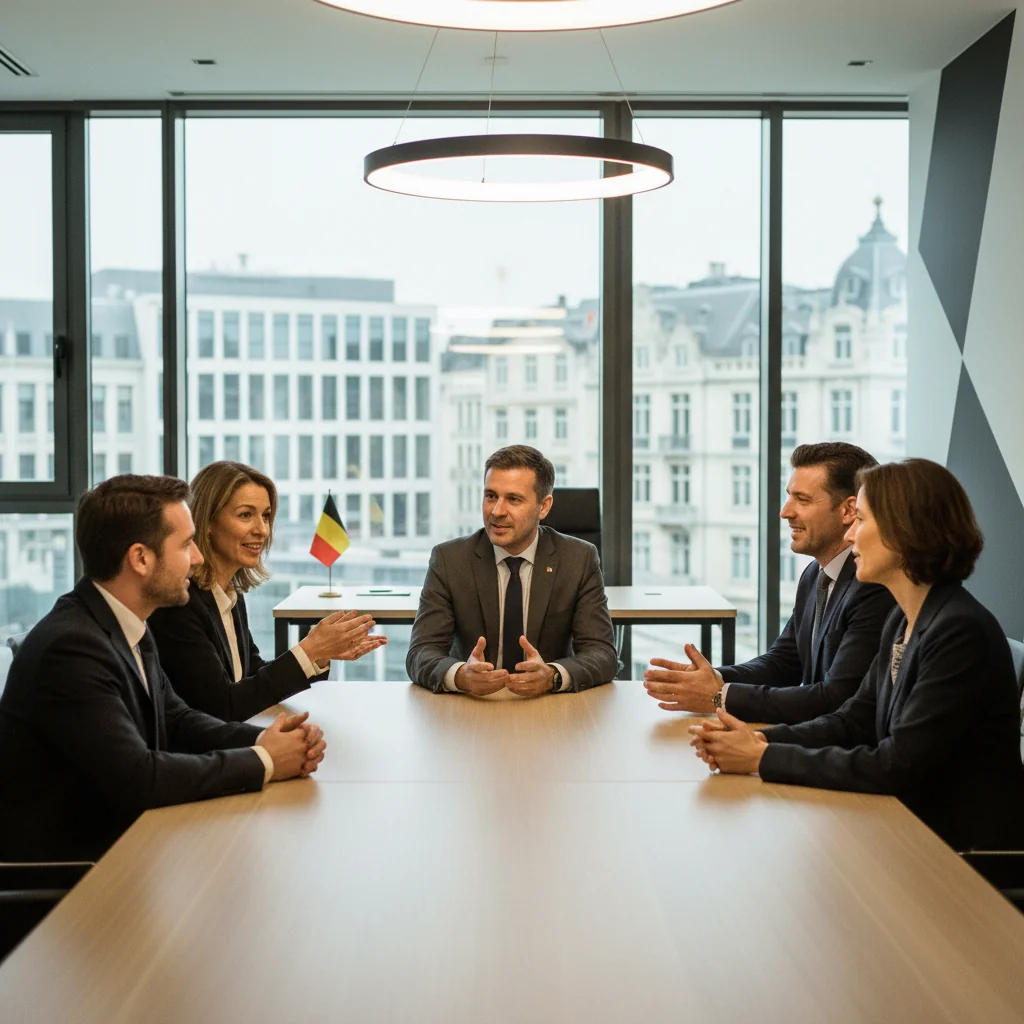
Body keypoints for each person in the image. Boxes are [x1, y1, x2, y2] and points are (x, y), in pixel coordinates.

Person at [689, 458, 1024, 851]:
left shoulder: (959, 632)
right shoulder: (904, 617)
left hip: (959, 855)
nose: (849, 537)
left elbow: (895, 765)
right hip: (911, 828)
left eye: (861, 521)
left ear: (904, 531)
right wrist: (758, 741)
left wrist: (761, 759)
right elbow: (854, 721)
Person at [0, 474, 328, 862]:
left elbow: (177, 721)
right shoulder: (70, 648)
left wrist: (263, 741)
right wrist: (266, 761)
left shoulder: (129, 621)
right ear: (141, 558)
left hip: (129, 843)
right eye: (187, 544)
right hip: (74, 877)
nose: (198, 557)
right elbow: (139, 778)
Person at [644, 442, 894, 724]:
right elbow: (783, 663)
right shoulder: (815, 574)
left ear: (849, 510)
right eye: (789, 497)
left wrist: (720, 696)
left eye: (802, 500)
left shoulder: (873, 585)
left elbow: (835, 699)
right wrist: (712, 678)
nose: (785, 512)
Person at [149, 461, 385, 722]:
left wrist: (319, 653)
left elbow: (252, 674)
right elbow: (221, 706)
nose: (262, 529)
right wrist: (308, 650)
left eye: (266, 516)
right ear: (207, 522)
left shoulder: (229, 594)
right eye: (245, 515)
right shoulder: (180, 603)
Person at [407, 445, 617, 696]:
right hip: (472, 707)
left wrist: (552, 676)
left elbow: (602, 654)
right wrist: (461, 676)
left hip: (549, 708)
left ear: (544, 506)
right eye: (491, 496)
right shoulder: (450, 560)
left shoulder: (578, 559)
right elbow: (421, 653)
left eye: (513, 499)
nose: (497, 511)